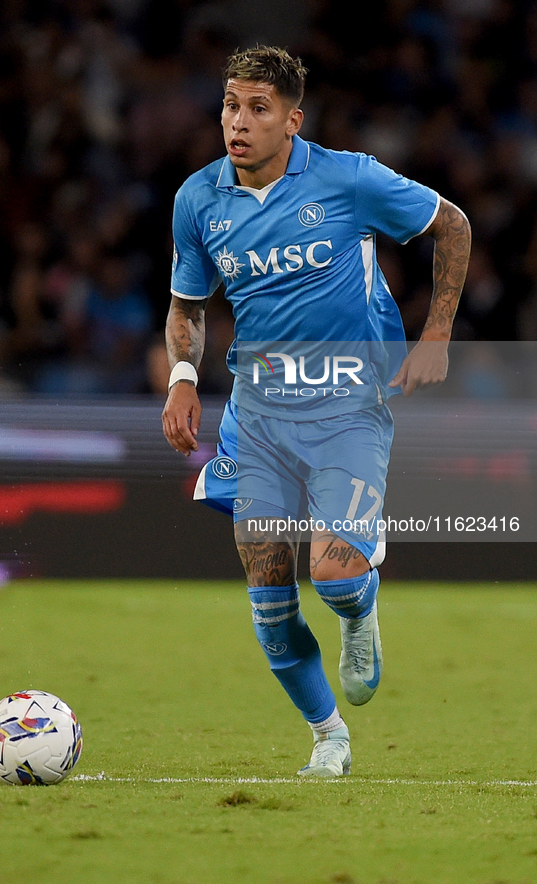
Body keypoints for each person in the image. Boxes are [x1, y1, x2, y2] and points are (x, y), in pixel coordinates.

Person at [162, 46, 471, 777]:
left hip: (346, 407)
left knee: (331, 577)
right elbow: (187, 304)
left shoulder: (348, 178)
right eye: (230, 106)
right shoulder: (197, 200)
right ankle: (327, 737)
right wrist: (181, 375)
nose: (238, 122)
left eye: (258, 109)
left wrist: (435, 334)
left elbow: (451, 223)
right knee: (269, 604)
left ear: (291, 121)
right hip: (258, 415)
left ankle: (358, 615)